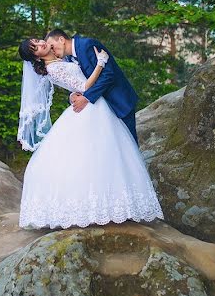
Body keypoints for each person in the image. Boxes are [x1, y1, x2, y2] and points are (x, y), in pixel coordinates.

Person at [16, 34, 163, 230]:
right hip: (92, 106)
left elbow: (78, 81)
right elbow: (83, 85)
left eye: (38, 41)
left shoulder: (64, 58)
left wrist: (75, 94)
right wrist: (100, 64)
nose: (41, 43)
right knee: (93, 155)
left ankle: (115, 207)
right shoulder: (54, 67)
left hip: (97, 104)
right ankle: (93, 208)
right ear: (36, 58)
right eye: (36, 47)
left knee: (109, 154)